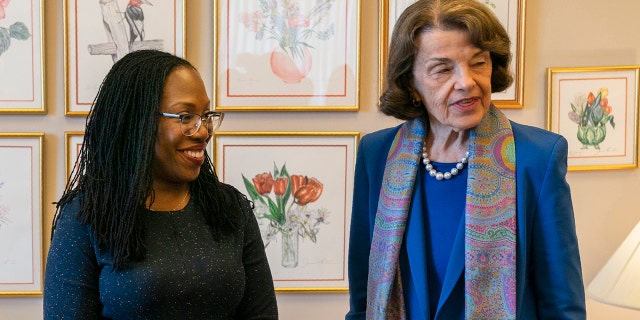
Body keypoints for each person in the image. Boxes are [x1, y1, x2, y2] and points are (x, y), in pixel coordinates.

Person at [346, 0, 586, 319]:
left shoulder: (538, 157)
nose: (466, 82)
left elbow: (562, 305)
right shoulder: (377, 154)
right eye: (443, 69)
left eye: (478, 63)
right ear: (410, 83)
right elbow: (364, 299)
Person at [44, 50, 279, 319]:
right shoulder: (87, 215)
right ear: (138, 122)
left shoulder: (230, 209)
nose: (203, 131)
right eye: (186, 116)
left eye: (205, 115)